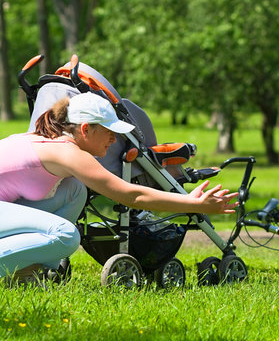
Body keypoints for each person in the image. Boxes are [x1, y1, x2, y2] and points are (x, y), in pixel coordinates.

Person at [0, 92, 238, 284]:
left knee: (75, 190)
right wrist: (194, 204)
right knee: (66, 235)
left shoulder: (52, 140)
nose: (114, 140)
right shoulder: (66, 152)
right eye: (109, 132)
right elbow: (131, 195)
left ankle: (29, 271)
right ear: (85, 129)